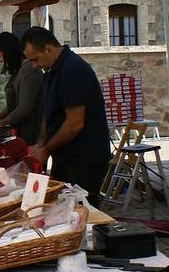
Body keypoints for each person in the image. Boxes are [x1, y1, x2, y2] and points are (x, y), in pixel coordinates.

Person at [21, 27, 111, 207]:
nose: (34, 65)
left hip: (84, 160)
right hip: (67, 157)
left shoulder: (73, 70)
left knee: (81, 212)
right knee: (64, 209)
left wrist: (46, 149)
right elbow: (50, 114)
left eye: (35, 59)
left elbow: (74, 123)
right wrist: (40, 144)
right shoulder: (52, 71)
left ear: (48, 49)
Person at [0, 31, 44, 145]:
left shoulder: (29, 70)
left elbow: (24, 108)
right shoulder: (21, 71)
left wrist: (1, 123)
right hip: (22, 134)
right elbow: (14, 103)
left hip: (31, 136)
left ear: (8, 53)